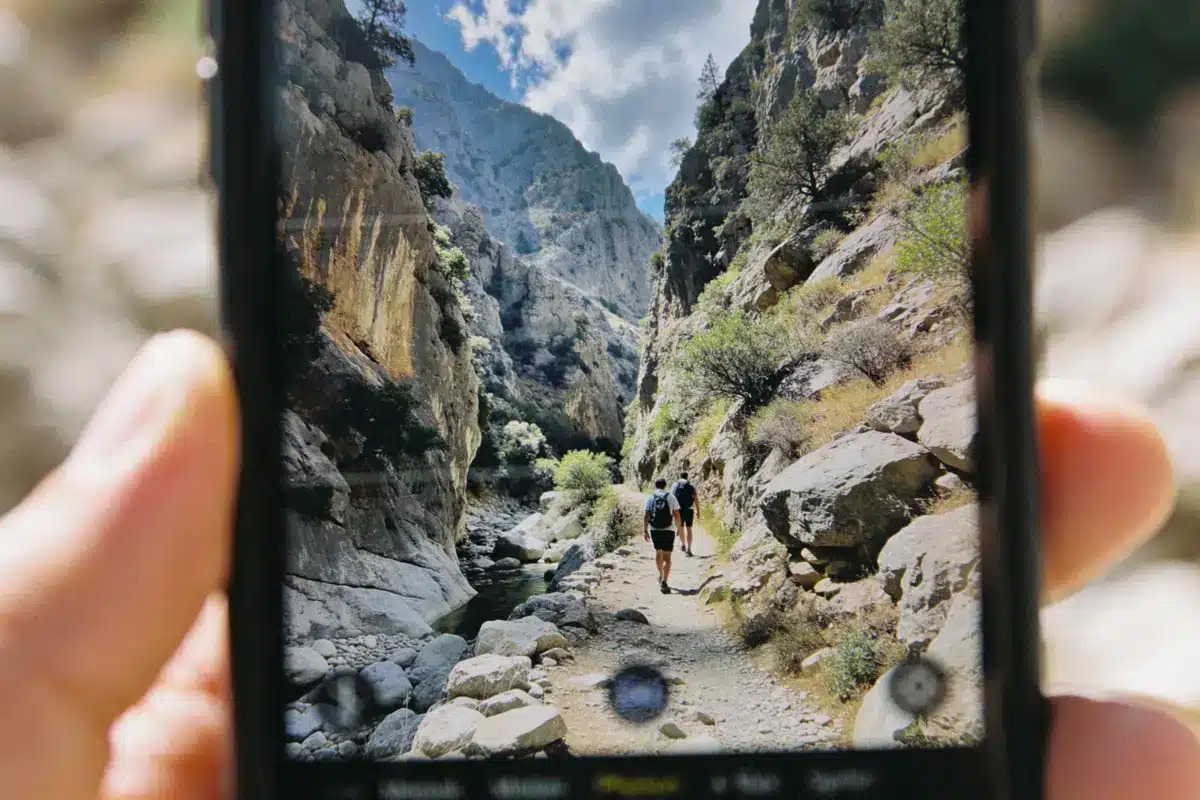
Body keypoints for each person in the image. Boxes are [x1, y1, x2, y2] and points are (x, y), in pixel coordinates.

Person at [1, 329, 1198, 800]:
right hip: (667, 545)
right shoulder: (673, 499)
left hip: (664, 545)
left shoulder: (668, 499)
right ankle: (680, 596)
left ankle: (676, 595)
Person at [643, 477, 684, 594]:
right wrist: (679, 528)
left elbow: (646, 515)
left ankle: (660, 575)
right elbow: (676, 514)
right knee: (667, 557)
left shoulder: (651, 497)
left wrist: (645, 530)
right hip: (669, 530)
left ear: (655, 486)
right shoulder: (671, 497)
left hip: (655, 529)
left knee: (658, 552)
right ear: (665, 486)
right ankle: (665, 581)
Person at [671, 471, 699, 556]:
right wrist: (698, 510)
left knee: (681, 528)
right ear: (687, 477)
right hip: (689, 509)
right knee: (689, 529)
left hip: (678, 510)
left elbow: (672, 498)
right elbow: (695, 499)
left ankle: (683, 544)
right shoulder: (691, 486)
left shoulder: (675, 485)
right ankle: (689, 549)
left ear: (680, 476)